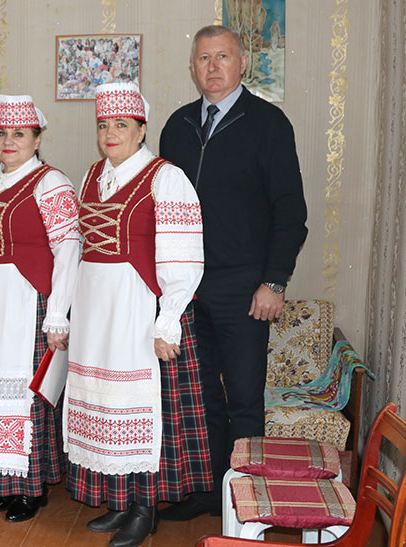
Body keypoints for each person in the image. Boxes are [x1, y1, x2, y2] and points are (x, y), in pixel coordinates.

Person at [158, 25, 308, 519]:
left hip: (244, 287)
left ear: (242, 64)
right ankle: (207, 495)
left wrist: (274, 282)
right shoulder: (178, 126)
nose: (213, 67)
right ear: (193, 67)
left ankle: (242, 503)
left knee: (243, 399)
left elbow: (290, 212)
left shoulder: (268, 122)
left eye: (223, 57)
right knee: (199, 400)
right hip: (186, 288)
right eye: (203, 59)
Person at [65, 82, 211, 547]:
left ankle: (145, 509)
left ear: (141, 128)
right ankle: (120, 501)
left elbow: (184, 258)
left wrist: (167, 320)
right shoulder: (91, 175)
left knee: (141, 406)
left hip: (138, 307)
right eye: (103, 125)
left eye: (121, 125)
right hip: (95, 311)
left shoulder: (166, 178)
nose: (110, 133)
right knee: (106, 401)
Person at [0, 95, 79, 523]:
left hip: (27, 302)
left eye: (19, 134)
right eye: (2, 133)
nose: (9, 141)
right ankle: (2, 484)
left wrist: (58, 313)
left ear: (37, 138)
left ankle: (31, 488)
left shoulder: (52, 183)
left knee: (25, 396)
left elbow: (68, 249)